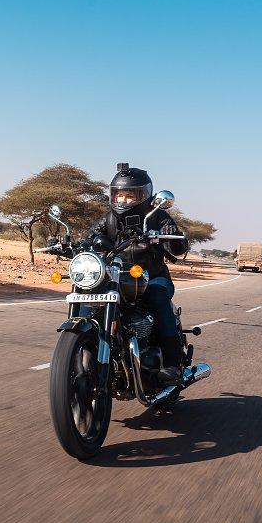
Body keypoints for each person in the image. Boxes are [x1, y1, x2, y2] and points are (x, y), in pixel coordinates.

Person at [86, 163, 189, 385]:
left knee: (158, 298)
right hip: (117, 277)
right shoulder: (109, 219)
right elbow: (89, 238)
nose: (123, 201)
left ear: (144, 195)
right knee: (91, 294)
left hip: (152, 277)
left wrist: (173, 235)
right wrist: (69, 245)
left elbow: (179, 249)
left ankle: (172, 364)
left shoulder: (157, 217)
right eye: (119, 195)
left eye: (129, 196)